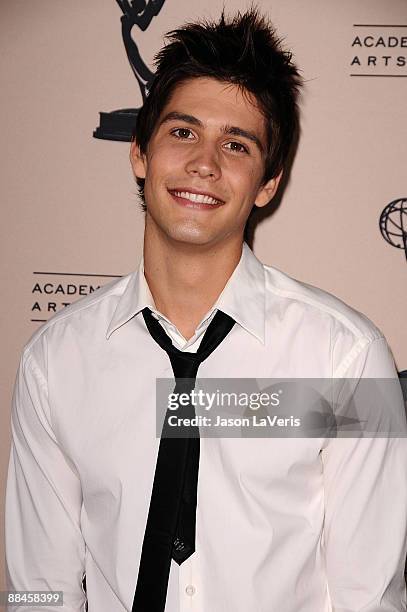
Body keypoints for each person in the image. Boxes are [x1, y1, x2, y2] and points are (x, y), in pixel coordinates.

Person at [5, 7, 407, 612]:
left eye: (237, 144)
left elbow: (368, 597)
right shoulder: (55, 362)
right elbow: (37, 591)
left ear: (268, 183)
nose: (205, 164)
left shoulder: (343, 357)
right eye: (183, 132)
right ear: (139, 151)